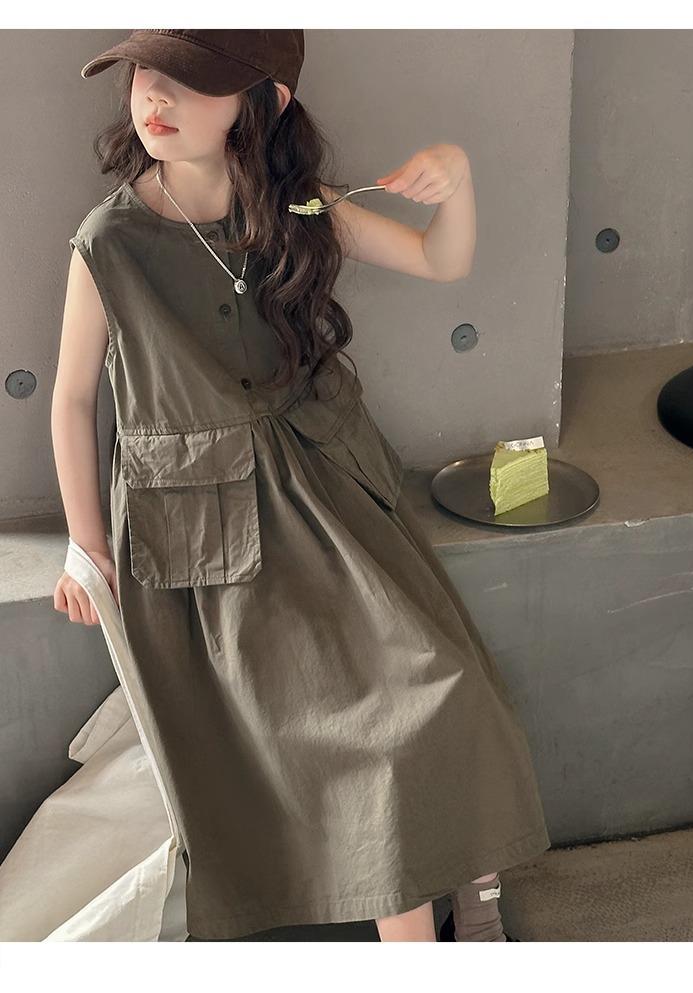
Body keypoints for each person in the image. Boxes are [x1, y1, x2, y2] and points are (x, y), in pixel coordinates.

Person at [51, 29, 551, 942]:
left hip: (325, 490)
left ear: (266, 102)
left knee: (437, 689)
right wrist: (86, 546)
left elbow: (441, 260)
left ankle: (466, 885)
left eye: (189, 83)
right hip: (204, 530)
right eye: (145, 75)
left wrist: (457, 176)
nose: (154, 98)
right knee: (370, 737)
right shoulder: (109, 242)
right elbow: (73, 396)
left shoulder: (295, 208)